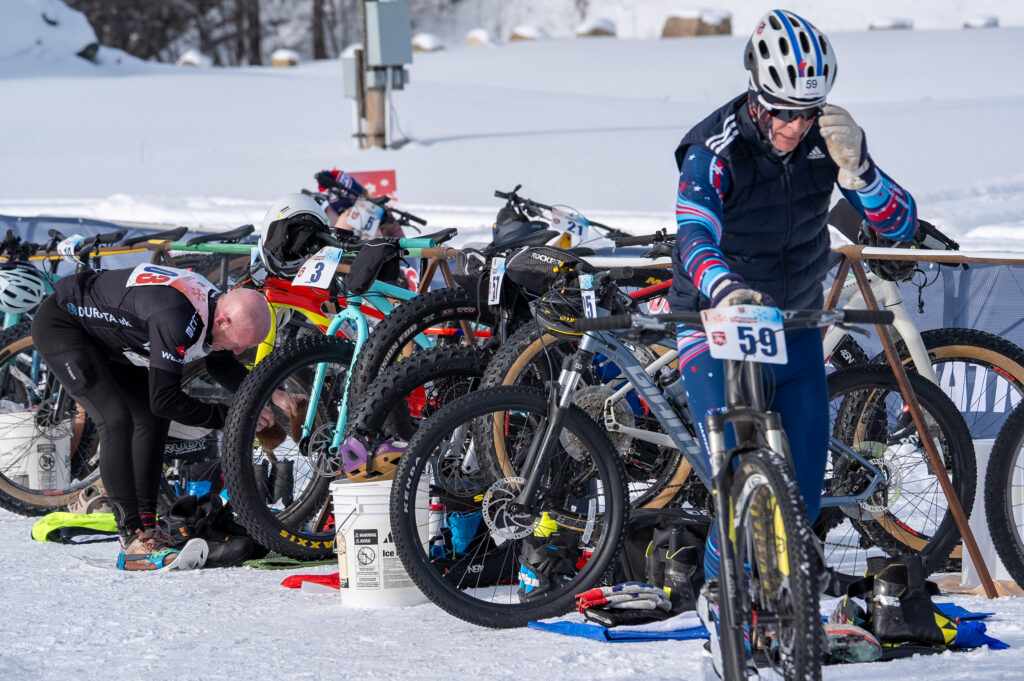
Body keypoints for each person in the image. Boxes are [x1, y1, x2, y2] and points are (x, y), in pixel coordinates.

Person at [668, 9, 918, 581]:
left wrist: (861, 174)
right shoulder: (714, 146)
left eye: (806, 112)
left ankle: (779, 608)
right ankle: (716, 592)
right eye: (781, 112)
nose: (793, 127)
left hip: (794, 323)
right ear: (756, 94)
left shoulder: (827, 137)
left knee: (800, 501)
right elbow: (693, 234)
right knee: (737, 482)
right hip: (715, 320)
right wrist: (726, 287)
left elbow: (900, 227)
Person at [31, 264, 274, 569]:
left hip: (110, 337)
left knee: (149, 418)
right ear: (224, 320)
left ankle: (148, 525)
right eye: (239, 343)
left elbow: (222, 365)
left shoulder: (213, 307)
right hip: (64, 326)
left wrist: (270, 395)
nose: (238, 351)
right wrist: (230, 417)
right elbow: (166, 399)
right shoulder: (175, 316)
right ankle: (131, 537)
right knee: (116, 418)